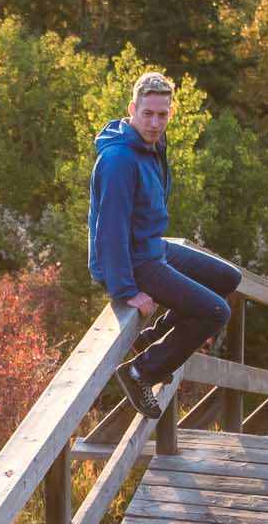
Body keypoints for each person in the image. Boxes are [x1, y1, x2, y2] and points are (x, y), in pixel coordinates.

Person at [87, 71, 241, 421]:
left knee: (227, 279)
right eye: (148, 114)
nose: (155, 123)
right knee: (216, 312)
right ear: (132, 109)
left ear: (171, 112)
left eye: (163, 114)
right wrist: (125, 288)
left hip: (151, 246)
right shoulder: (118, 161)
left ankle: (155, 337)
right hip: (132, 260)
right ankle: (140, 372)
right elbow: (108, 232)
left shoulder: (152, 145)